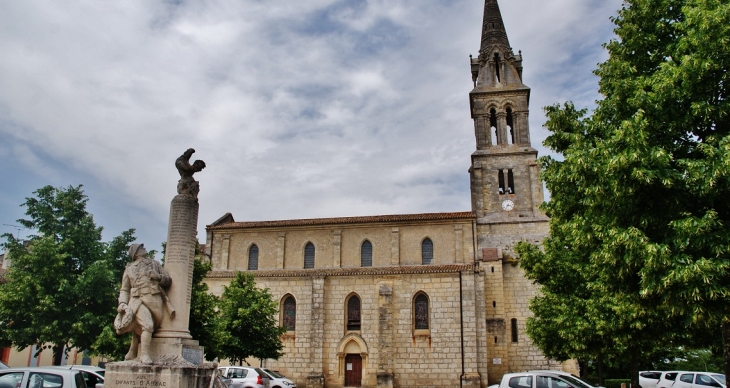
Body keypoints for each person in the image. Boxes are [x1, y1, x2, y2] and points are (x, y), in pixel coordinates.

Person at [116, 243, 174, 364]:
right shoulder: (129, 269)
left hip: (154, 301)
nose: (145, 248)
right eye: (141, 248)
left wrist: (158, 277)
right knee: (147, 325)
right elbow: (125, 289)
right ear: (136, 253)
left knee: (141, 326)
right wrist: (122, 303)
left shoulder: (155, 264)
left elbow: (168, 280)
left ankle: (132, 350)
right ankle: (144, 355)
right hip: (137, 300)